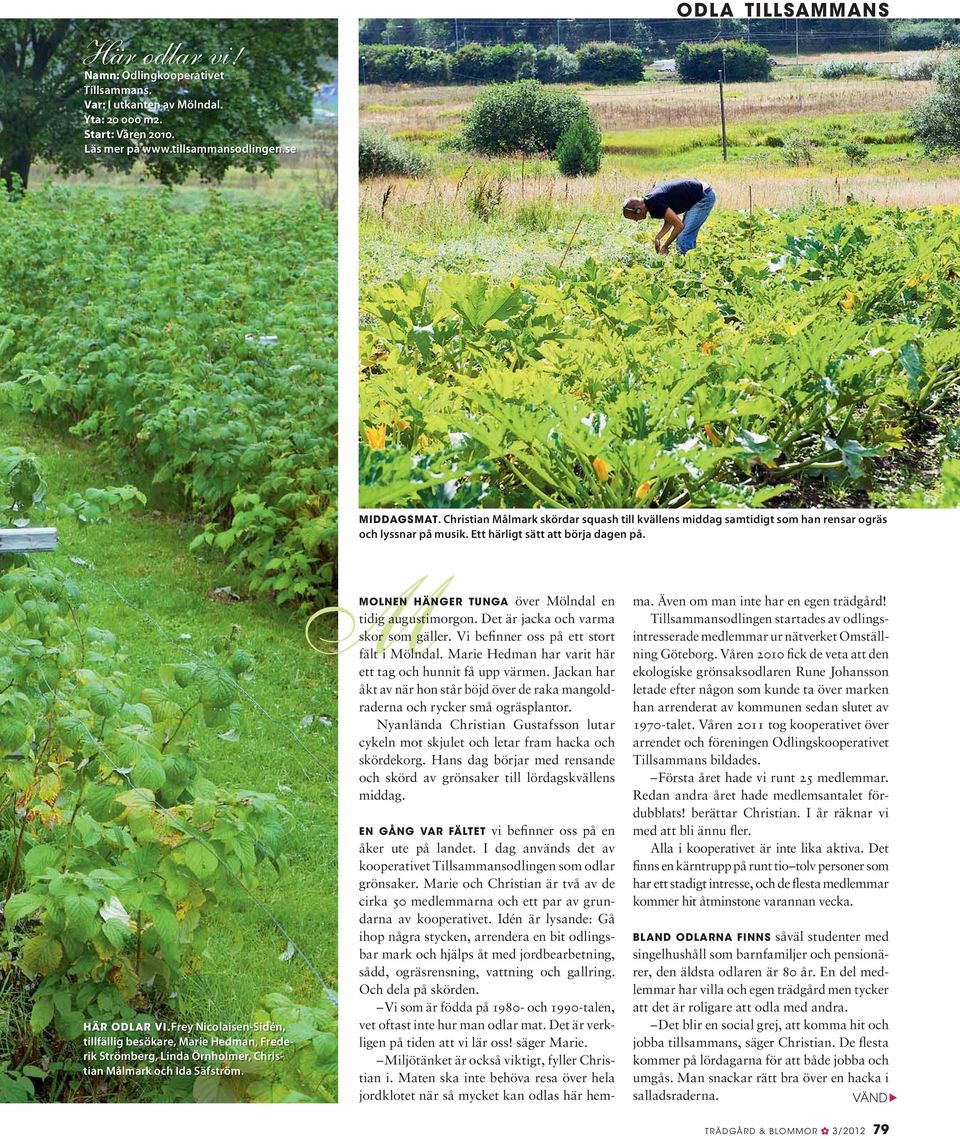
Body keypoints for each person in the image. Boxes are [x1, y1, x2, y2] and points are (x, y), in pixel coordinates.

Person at [622, 179, 716, 255]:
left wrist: (665, 246)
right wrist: (658, 238)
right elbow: (670, 221)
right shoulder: (651, 201)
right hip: (699, 194)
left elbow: (679, 225)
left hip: (703, 197)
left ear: (637, 210)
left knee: (683, 237)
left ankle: (689, 269)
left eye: (633, 218)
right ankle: (691, 262)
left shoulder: (654, 203)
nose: (635, 221)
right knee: (685, 236)